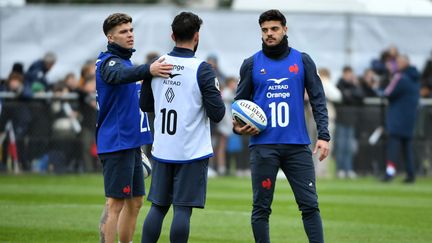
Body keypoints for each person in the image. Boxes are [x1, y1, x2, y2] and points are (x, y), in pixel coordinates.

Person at [233, 10, 330, 243]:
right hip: (264, 148)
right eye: (265, 30)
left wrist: (324, 135)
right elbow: (238, 107)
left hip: (297, 146)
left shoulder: (302, 60)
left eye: (274, 29)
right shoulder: (251, 64)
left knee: (310, 205)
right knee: (261, 208)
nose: (269, 34)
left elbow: (318, 99)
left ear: (285, 30)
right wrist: (238, 128)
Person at [139, 12, 225, 243]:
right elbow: (218, 114)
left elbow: (145, 104)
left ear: (172, 35)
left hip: (162, 149)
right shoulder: (203, 69)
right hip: (191, 152)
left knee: (157, 207)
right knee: (182, 210)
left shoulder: (155, 65)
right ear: (197, 36)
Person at [96, 13, 172, 243]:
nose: (130, 35)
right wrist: (148, 70)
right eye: (123, 31)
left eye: (130, 30)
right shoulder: (109, 62)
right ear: (110, 37)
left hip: (132, 143)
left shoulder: (126, 62)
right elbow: (118, 75)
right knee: (115, 202)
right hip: (117, 142)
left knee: (136, 201)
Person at [383, 55, 420, 183]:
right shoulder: (415, 78)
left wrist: (390, 75)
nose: (396, 65)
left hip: (397, 119)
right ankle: (411, 174)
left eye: (398, 62)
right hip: (410, 118)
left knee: (393, 148)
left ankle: (389, 173)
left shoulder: (400, 77)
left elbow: (388, 92)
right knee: (407, 148)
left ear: (404, 63)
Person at [334, 66, 364, 179]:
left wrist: (353, 89)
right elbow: (341, 97)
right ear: (343, 74)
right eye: (347, 74)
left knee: (349, 147)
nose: (349, 76)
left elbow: (360, 97)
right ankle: (340, 169)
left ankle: (349, 169)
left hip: (352, 120)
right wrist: (351, 96)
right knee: (341, 146)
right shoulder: (339, 85)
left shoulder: (355, 86)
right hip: (341, 119)